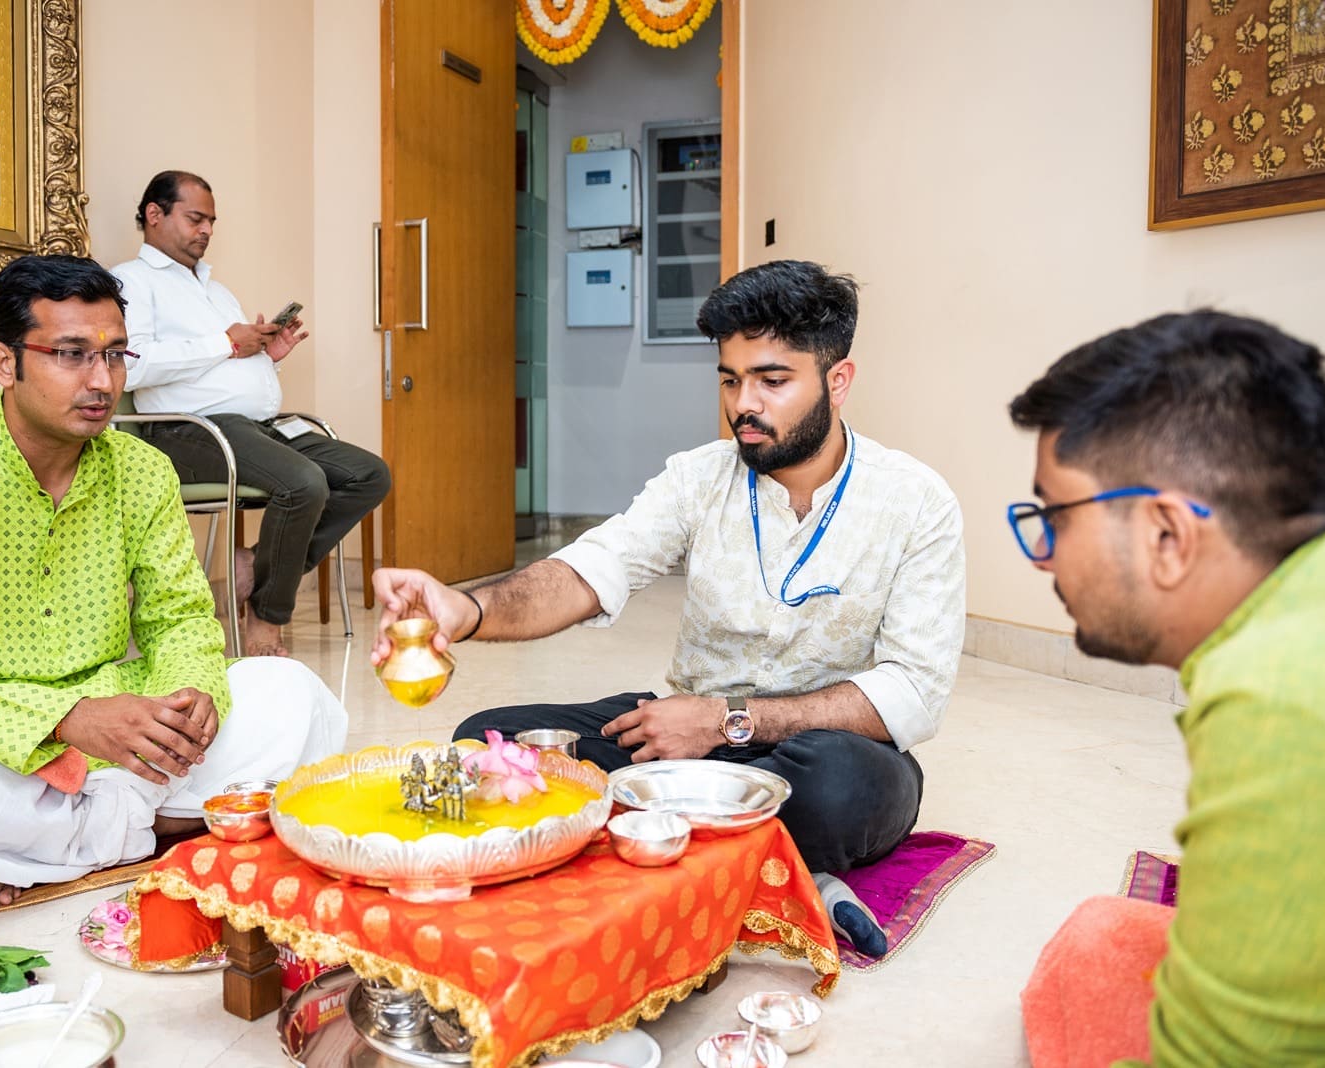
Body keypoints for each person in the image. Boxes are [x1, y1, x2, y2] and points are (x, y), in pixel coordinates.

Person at [371, 260, 966, 955]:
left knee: (837, 790)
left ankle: (661, 842)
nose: (744, 404)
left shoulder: (916, 502)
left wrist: (725, 721)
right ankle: (780, 873)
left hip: (826, 751)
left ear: (838, 380)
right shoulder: (698, 478)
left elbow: (913, 692)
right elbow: (589, 571)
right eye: (730, 379)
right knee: (489, 740)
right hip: (687, 743)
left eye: (772, 381)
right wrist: (464, 609)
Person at [0, 254, 348, 905]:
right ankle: (147, 826)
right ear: (4, 363)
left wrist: (191, 697)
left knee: (293, 696)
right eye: (72, 355)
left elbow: (179, 619)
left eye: (115, 355)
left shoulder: (142, 470)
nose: (102, 380)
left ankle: (42, 843)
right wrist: (66, 719)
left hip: (117, 737)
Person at [1008, 311, 1325, 1067]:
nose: (1041, 555)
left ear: (1168, 535)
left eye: (1056, 515)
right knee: (1103, 938)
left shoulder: (1281, 700)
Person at [112, 170, 391, 658]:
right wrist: (225, 341)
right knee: (302, 483)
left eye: (211, 221)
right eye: (195, 218)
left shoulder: (216, 290)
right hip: (187, 432)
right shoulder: (130, 281)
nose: (206, 230)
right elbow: (131, 367)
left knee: (368, 474)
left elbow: (228, 364)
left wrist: (268, 357)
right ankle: (267, 616)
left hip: (251, 429)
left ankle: (254, 568)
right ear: (154, 214)